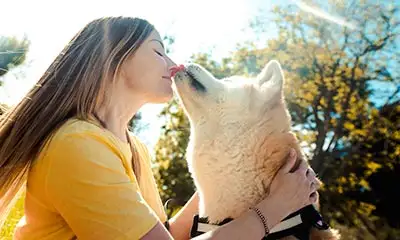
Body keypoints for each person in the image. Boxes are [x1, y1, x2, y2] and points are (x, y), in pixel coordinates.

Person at [0, 17, 319, 240]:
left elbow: (163, 235)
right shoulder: (77, 145)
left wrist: (241, 177)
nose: (171, 62)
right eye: (158, 50)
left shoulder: (132, 147)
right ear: (114, 57)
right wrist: (273, 209)